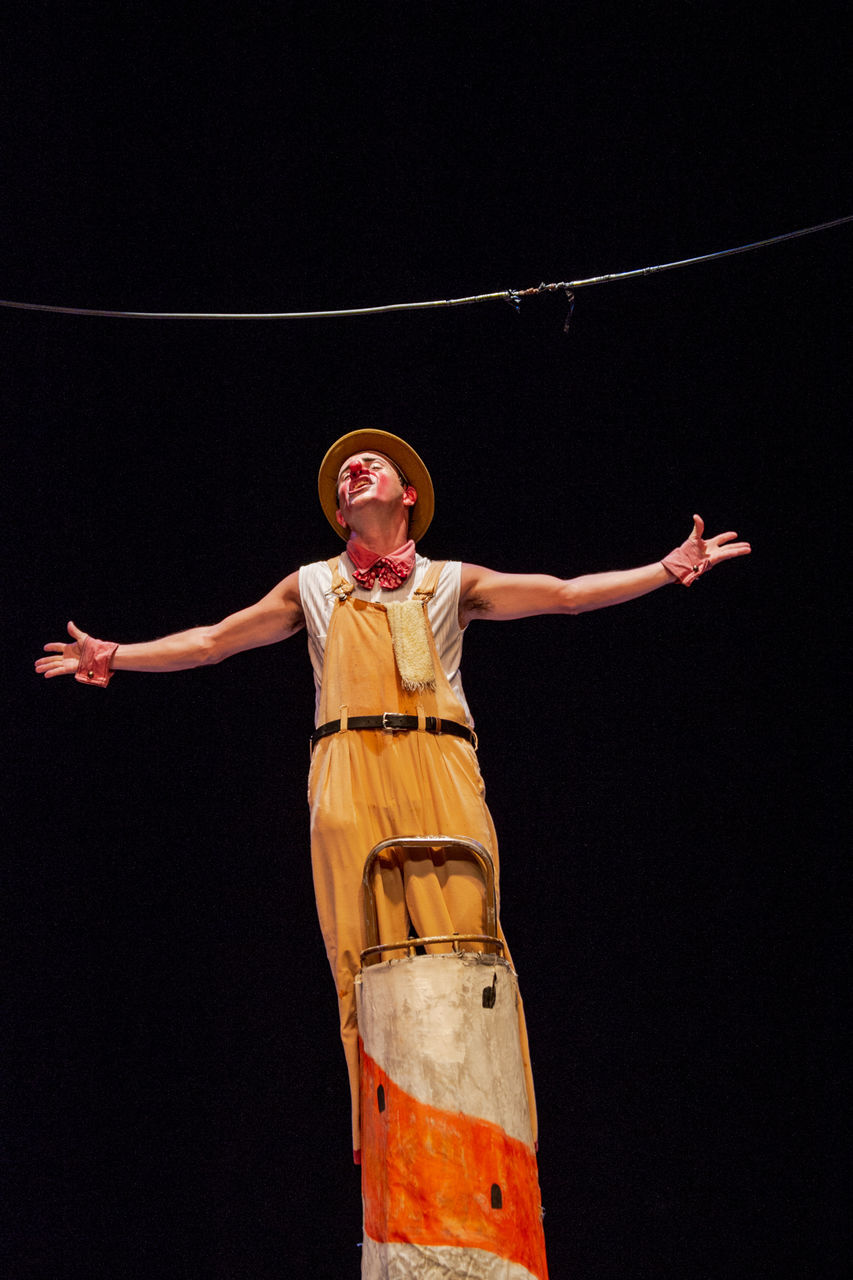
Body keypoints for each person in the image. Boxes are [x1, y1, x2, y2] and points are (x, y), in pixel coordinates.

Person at [35, 428, 751, 1161]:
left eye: (371, 464)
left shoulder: (451, 581)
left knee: (468, 939)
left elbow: (564, 596)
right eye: (345, 472)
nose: (354, 470)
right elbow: (214, 640)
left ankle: (492, 1139)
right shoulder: (311, 584)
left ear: (407, 495)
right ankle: (382, 1145)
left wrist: (663, 570)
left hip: (438, 759)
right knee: (357, 954)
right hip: (346, 762)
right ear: (341, 516)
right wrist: (116, 655)